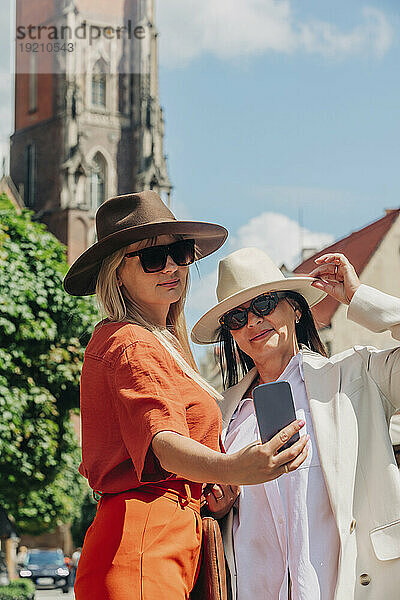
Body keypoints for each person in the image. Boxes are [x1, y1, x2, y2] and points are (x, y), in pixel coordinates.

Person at [63, 192, 309, 600]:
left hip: (165, 542)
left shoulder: (166, 346)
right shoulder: (130, 342)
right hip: (143, 544)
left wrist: (212, 491)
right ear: (117, 272)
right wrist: (233, 468)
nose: (173, 266)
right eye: (152, 258)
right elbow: (162, 444)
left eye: (178, 252)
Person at [192, 247, 400, 600]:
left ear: (296, 307)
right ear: (231, 335)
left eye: (264, 303)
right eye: (236, 318)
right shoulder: (222, 415)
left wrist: (358, 297)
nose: (253, 322)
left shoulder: (354, 377)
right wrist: (218, 507)